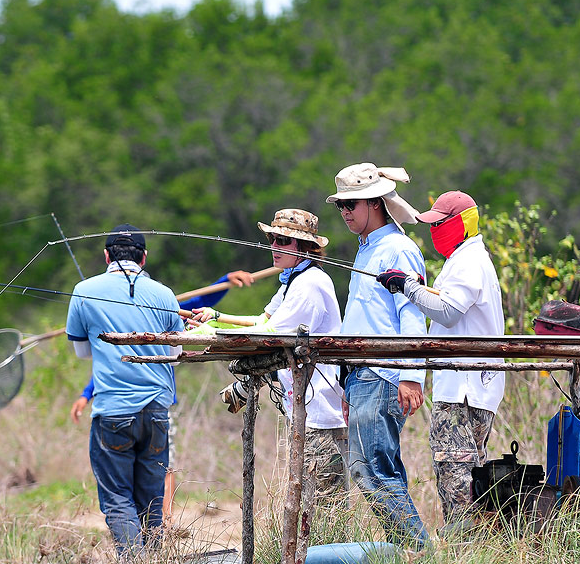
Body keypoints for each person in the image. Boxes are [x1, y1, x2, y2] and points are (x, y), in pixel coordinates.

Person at [68, 269, 256, 526]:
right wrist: (86, 394)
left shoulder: (162, 307)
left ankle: (163, 521)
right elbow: (112, 363)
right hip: (130, 404)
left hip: (154, 404)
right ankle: (148, 527)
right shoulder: (121, 321)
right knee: (143, 475)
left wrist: (223, 282)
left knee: (162, 469)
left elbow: (197, 304)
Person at [191, 209, 348, 508]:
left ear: (304, 248)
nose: (274, 247)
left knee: (324, 504)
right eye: (273, 239)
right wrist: (217, 317)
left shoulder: (310, 284)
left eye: (283, 241)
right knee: (305, 503)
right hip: (302, 407)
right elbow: (262, 319)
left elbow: (272, 332)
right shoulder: (292, 281)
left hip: (320, 411)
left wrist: (215, 329)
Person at [376, 191, 505, 536]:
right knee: (471, 475)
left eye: (441, 224)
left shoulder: (469, 261)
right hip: (476, 388)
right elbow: (447, 301)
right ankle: (477, 547)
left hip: (463, 391)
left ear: (463, 223)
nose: (435, 232)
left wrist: (407, 288)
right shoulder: (467, 259)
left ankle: (463, 548)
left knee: (455, 476)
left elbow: (448, 312)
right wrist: (417, 286)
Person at [326, 162, 430, 550]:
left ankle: (419, 551)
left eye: (352, 204)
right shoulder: (366, 251)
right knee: (371, 468)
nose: (346, 212)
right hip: (360, 376)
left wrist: (411, 376)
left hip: (384, 373)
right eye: (341, 206)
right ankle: (408, 550)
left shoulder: (399, 248)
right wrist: (346, 383)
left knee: (373, 470)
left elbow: (412, 314)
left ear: (376, 203)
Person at [67, 224, 185, 556]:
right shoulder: (165, 294)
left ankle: (135, 559)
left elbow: (81, 352)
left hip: (112, 412)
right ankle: (154, 558)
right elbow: (176, 356)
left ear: (106, 256)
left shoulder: (83, 290)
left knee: (118, 499)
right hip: (157, 411)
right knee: (152, 499)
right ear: (143, 258)